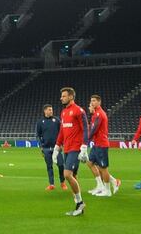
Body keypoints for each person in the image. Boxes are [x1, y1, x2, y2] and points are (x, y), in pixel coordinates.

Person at [52, 87, 88, 216]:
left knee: (67, 174)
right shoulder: (63, 112)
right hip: (66, 148)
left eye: (64, 96)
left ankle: (80, 203)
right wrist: (57, 147)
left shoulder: (79, 111)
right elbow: (62, 131)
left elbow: (85, 129)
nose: (61, 98)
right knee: (74, 176)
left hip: (75, 148)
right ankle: (79, 206)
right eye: (61, 96)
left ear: (71, 97)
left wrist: (84, 147)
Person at [86, 95, 120, 197]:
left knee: (103, 168)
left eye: (94, 101)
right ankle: (104, 185)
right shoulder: (95, 114)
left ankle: (107, 191)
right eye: (91, 101)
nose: (92, 103)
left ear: (99, 102)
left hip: (101, 144)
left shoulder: (100, 114)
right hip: (97, 144)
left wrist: (86, 140)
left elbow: (94, 129)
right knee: (90, 163)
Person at [35, 104, 65, 191]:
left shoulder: (56, 120)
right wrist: (41, 146)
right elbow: (38, 135)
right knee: (49, 166)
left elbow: (62, 133)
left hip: (57, 147)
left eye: (51, 110)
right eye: (49, 110)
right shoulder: (40, 122)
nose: (51, 111)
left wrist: (61, 144)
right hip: (46, 148)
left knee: (61, 165)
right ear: (45, 111)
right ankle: (51, 184)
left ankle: (62, 183)